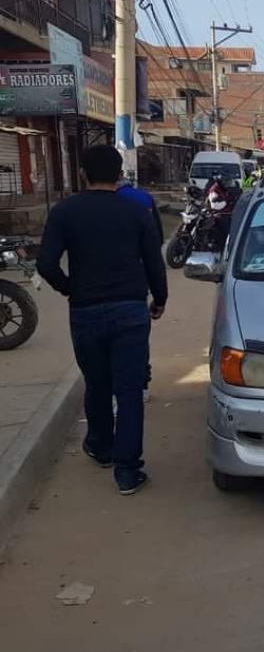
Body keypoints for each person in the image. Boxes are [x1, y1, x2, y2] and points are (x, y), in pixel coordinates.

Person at [37, 145, 167, 496]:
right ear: (119, 174)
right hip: (130, 309)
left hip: (85, 310)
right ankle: (127, 472)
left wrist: (70, 289)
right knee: (128, 390)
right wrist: (160, 299)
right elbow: (154, 261)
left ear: (82, 174)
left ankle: (101, 447)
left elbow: (46, 264)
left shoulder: (65, 211)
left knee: (96, 382)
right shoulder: (136, 211)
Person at [116, 177, 163, 404]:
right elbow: (157, 242)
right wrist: (160, 296)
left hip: (94, 287)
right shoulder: (143, 198)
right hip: (135, 283)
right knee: (136, 339)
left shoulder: (81, 205)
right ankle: (142, 383)